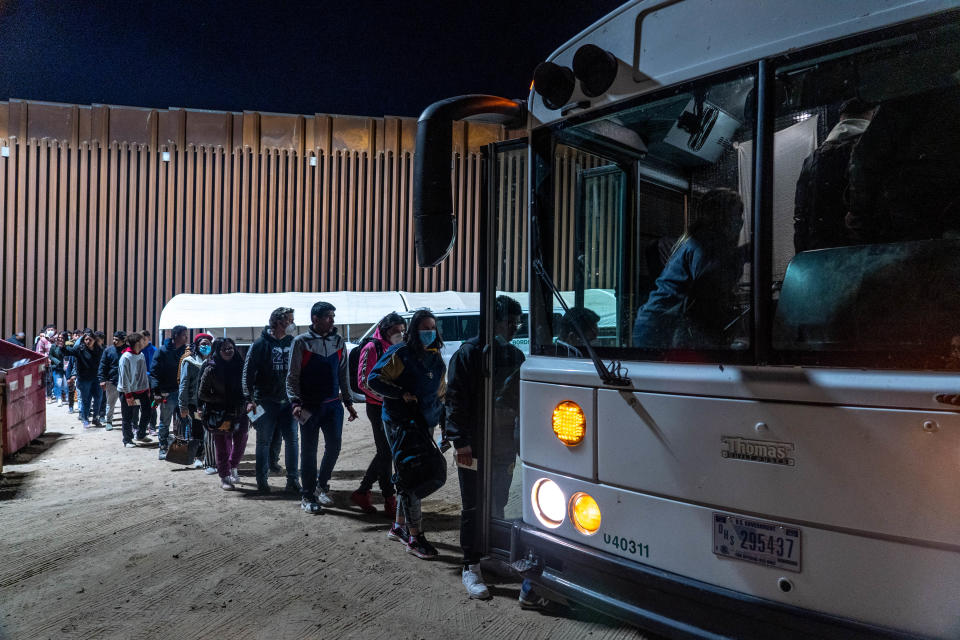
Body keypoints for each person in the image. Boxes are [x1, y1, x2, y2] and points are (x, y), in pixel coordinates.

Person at [446, 296, 525, 598]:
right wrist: (460, 441)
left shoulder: (514, 355)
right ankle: (471, 565)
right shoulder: (469, 353)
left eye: (518, 323)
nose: (515, 329)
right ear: (493, 321)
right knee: (473, 505)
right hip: (472, 446)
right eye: (510, 323)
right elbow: (455, 400)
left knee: (498, 501)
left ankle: (491, 554)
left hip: (502, 444)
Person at [368, 309, 447, 559]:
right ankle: (415, 538)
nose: (429, 333)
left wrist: (444, 424)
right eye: (424, 328)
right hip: (401, 424)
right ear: (414, 330)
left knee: (413, 475)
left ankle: (399, 526)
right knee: (411, 477)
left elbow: (441, 395)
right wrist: (400, 393)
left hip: (425, 425)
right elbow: (374, 380)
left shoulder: (436, 359)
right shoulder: (400, 353)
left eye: (432, 328)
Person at [846, 81, 960, 243]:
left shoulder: (900, 107)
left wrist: (861, 219)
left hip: (906, 227)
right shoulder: (948, 103)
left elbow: (864, 165)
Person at [632, 188, 746, 350]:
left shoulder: (701, 242)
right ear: (722, 216)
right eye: (737, 214)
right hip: (661, 328)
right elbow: (708, 295)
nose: (740, 221)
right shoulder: (705, 245)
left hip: (659, 324)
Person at [286, 301, 358, 513]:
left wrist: (348, 402)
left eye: (333, 316)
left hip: (333, 406)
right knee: (309, 451)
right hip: (309, 407)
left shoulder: (338, 341)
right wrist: (295, 402)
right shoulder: (301, 342)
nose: (332, 321)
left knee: (334, 447)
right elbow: (292, 376)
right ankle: (307, 496)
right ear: (315, 319)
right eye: (328, 317)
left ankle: (322, 486)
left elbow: (343, 374)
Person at [793, 98, 874, 253]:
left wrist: (803, 257)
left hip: (819, 253)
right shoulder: (872, 151)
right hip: (864, 254)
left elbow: (800, 216)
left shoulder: (812, 159)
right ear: (871, 115)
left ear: (841, 118)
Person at [242, 307, 301, 495]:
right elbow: (247, 373)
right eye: (289, 320)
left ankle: (293, 480)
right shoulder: (259, 344)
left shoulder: (293, 342)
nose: (292, 324)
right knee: (263, 442)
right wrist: (248, 399)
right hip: (265, 401)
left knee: (292, 440)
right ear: (277, 322)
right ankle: (262, 481)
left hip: (288, 402)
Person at [352, 312, 406, 515]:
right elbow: (363, 382)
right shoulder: (371, 347)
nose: (399, 334)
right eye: (395, 331)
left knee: (387, 452)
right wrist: (389, 397)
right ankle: (383, 496)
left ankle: (373, 493)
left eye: (402, 330)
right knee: (386, 452)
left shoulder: (399, 347)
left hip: (393, 405)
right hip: (377, 406)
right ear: (385, 330)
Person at [198, 338, 251, 491]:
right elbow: (202, 393)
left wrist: (248, 401)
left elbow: (248, 386)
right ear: (218, 351)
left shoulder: (241, 366)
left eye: (231, 348)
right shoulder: (210, 368)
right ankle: (224, 476)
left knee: (241, 439)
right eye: (225, 349)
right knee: (222, 445)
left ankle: (233, 465)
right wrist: (220, 400)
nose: (229, 351)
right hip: (219, 413)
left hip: (239, 411)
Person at [149, 325, 189, 460]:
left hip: (183, 393)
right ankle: (163, 447)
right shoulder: (162, 351)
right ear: (176, 336)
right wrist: (157, 392)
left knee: (184, 421)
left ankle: (182, 448)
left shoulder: (187, 352)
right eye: (184, 335)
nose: (186, 337)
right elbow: (154, 373)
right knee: (165, 421)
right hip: (167, 392)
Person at [178, 333, 214, 470]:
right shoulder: (189, 362)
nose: (206, 346)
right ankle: (198, 456)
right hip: (194, 403)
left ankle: (209, 456)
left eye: (208, 344)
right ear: (197, 346)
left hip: (211, 402)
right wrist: (183, 405)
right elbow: (184, 384)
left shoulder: (213, 361)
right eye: (203, 344)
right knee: (197, 430)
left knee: (211, 430)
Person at [64, 330, 105, 428]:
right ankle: (85, 419)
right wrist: (63, 344)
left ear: (94, 340)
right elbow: (67, 352)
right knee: (85, 400)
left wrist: (103, 378)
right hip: (84, 379)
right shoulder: (79, 349)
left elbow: (103, 364)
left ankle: (96, 418)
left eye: (90, 339)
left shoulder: (99, 350)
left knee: (98, 399)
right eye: (86, 339)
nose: (88, 341)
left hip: (97, 378)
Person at [118, 332, 152, 447]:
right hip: (128, 391)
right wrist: (128, 394)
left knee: (147, 411)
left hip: (142, 390)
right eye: (143, 340)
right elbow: (124, 378)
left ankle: (141, 434)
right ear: (137, 342)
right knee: (128, 416)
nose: (144, 342)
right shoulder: (125, 357)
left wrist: (147, 388)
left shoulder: (141, 355)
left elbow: (143, 374)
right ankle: (127, 440)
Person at [98, 331, 126, 430]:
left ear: (123, 341)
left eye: (117, 340)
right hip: (111, 381)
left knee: (126, 404)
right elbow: (102, 365)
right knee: (110, 403)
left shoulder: (128, 350)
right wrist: (102, 379)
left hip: (126, 382)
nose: (114, 341)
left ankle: (127, 422)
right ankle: (109, 421)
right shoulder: (108, 350)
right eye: (113, 339)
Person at [140, 330, 158, 434]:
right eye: (141, 339)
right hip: (140, 383)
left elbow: (153, 368)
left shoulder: (153, 350)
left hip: (150, 383)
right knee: (140, 406)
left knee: (152, 405)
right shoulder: (138, 349)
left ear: (149, 339)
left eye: (144, 339)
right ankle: (140, 425)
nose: (143, 341)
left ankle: (152, 426)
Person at [48, 333, 67, 407]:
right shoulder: (53, 346)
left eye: (62, 338)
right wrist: (56, 361)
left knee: (65, 384)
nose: (60, 339)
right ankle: (59, 398)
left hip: (66, 367)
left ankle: (65, 397)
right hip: (57, 367)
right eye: (59, 338)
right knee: (57, 383)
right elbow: (50, 355)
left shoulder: (67, 346)